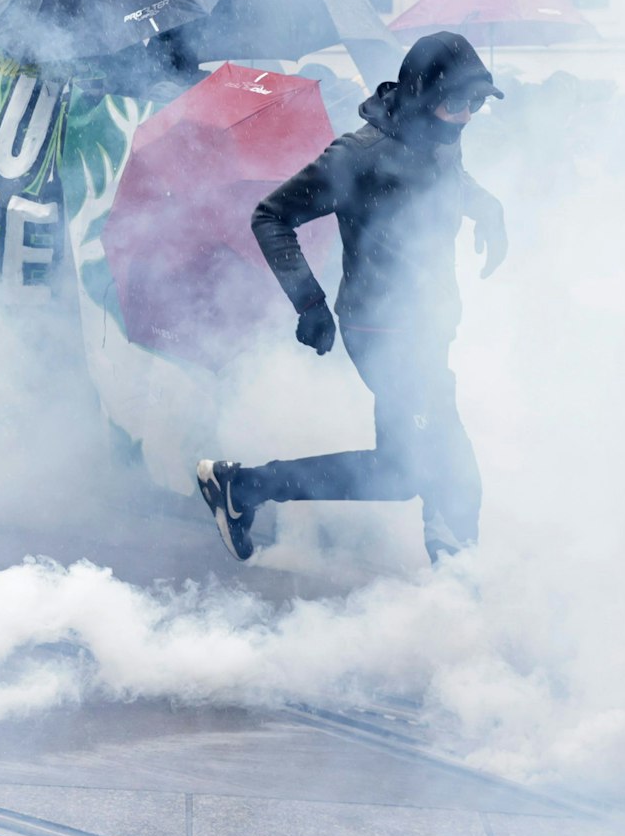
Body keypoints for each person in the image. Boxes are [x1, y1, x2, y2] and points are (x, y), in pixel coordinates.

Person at [195, 32, 508, 565]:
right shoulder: (358, 155)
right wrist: (309, 304)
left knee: (413, 468)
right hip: (383, 334)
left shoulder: (440, 133)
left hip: (427, 329)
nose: (467, 116)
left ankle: (243, 488)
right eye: (459, 102)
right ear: (420, 93)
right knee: (434, 467)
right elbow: (270, 216)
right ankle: (457, 571)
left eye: (478, 104)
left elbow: (450, 175)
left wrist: (488, 206)